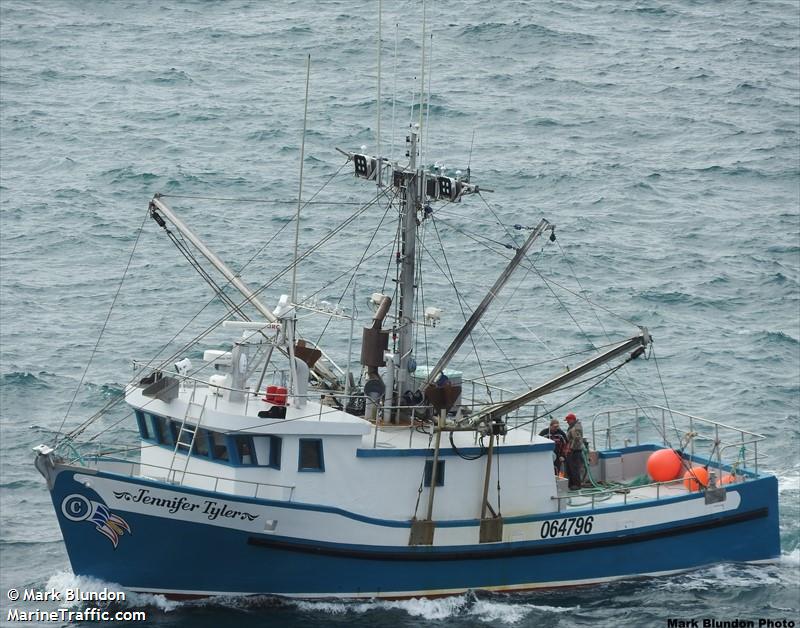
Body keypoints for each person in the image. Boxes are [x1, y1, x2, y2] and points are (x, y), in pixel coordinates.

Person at [564, 412, 585, 490]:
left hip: (575, 451)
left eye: (568, 420)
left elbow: (577, 440)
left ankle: (577, 485)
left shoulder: (576, 428)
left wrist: (570, 448)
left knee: (575, 469)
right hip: (571, 451)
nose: (567, 422)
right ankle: (571, 484)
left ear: (572, 420)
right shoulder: (572, 427)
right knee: (570, 469)